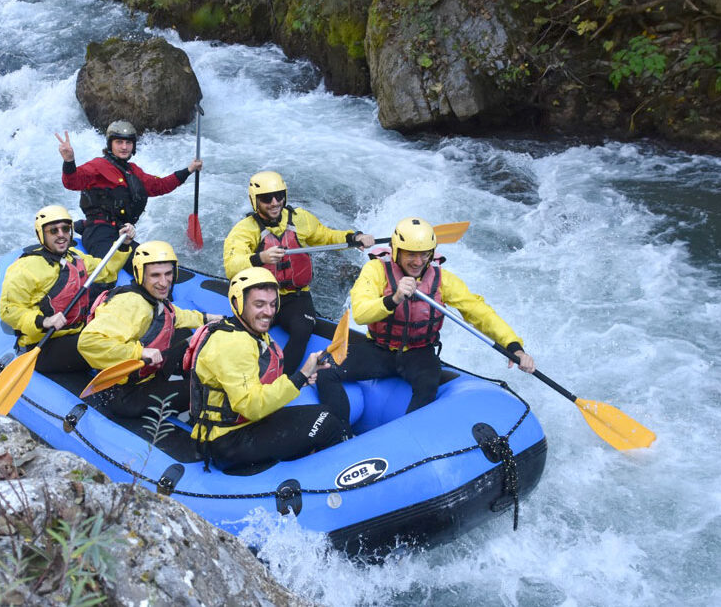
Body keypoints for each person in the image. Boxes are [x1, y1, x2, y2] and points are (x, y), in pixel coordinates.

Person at [317, 217, 536, 425]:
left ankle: (408, 444)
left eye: (424, 254)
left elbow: (480, 313)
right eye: (411, 254)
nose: (418, 261)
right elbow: (361, 313)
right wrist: (394, 298)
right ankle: (339, 432)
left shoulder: (443, 280)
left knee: (427, 388)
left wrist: (514, 347)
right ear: (396, 251)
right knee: (326, 369)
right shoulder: (376, 270)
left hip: (419, 354)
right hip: (379, 349)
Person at [185, 267, 346, 471]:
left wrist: (302, 379)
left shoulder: (250, 332)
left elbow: (260, 383)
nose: (269, 312)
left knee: (326, 413)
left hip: (246, 425)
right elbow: (251, 406)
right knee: (327, 425)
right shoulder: (233, 344)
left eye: (272, 304)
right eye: (259, 304)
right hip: (227, 440)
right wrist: (300, 376)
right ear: (238, 303)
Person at [222, 170, 375, 374]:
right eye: (267, 198)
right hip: (260, 294)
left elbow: (326, 237)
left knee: (302, 329)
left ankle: (280, 381)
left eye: (280, 196)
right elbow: (232, 265)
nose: (275, 202)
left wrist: (354, 237)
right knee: (244, 331)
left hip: (295, 296)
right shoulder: (244, 230)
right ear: (255, 201)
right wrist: (261, 258)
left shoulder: (299, 219)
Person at [77, 241, 222, 418]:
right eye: (155, 275)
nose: (163, 282)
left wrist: (208, 319)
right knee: (204, 391)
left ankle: (189, 378)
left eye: (168, 274)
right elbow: (88, 342)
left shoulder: (152, 299)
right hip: (126, 393)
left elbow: (174, 315)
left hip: (149, 373)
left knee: (183, 332)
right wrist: (140, 351)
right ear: (140, 274)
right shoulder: (129, 304)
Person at [0, 205, 135, 373]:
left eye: (65, 229)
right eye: (53, 231)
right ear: (41, 234)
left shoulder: (75, 257)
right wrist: (44, 321)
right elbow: (9, 311)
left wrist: (123, 244)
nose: (61, 235)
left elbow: (106, 271)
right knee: (104, 346)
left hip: (77, 331)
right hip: (44, 345)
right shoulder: (24, 268)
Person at [56, 121, 202, 261]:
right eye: (119, 142)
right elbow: (72, 182)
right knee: (107, 274)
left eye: (128, 142)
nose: (124, 147)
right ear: (110, 144)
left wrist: (189, 170)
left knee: (149, 263)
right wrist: (69, 161)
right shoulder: (98, 165)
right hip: (99, 232)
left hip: (122, 233)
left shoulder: (134, 171)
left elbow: (161, 185)